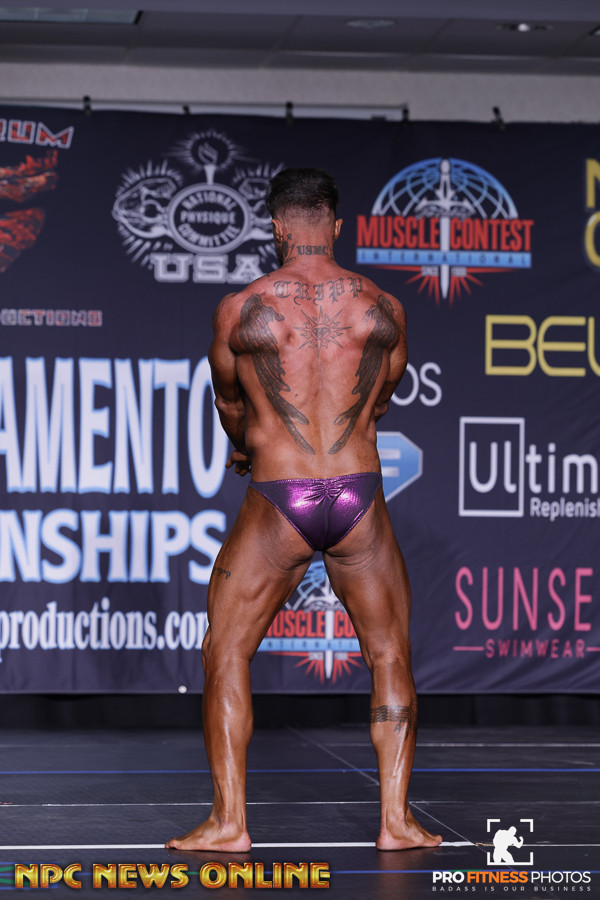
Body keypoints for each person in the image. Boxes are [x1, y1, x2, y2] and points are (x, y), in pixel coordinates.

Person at [166, 168, 441, 853]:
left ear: (276, 227)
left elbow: (230, 401)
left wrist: (246, 449)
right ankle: (397, 822)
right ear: (336, 225)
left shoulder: (241, 309)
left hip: (280, 496)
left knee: (226, 648)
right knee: (389, 652)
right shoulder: (383, 307)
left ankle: (229, 824)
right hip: (357, 494)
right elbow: (381, 398)